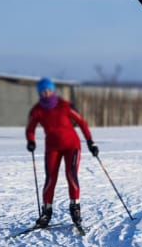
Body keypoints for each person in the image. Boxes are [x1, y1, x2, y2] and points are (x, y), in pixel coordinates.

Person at [25, 78, 98, 229]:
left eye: (48, 90)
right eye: (43, 91)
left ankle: (75, 208)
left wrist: (90, 141)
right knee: (50, 179)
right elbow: (30, 128)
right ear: (40, 93)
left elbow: (82, 123)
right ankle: (46, 212)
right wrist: (31, 140)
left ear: (53, 91)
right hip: (52, 148)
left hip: (72, 146)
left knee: (71, 176)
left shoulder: (64, 106)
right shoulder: (38, 110)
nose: (46, 93)